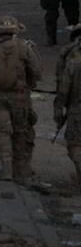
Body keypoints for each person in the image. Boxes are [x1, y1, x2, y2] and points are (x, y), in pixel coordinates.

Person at [0, 16, 41, 182]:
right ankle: (21, 171)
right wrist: (29, 86)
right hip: (20, 97)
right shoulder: (24, 47)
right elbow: (36, 72)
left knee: (2, 132)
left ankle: (6, 169)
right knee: (21, 132)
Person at [55, 25, 81, 190]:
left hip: (77, 110)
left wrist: (58, 110)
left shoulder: (73, 63)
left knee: (75, 145)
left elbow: (63, 90)